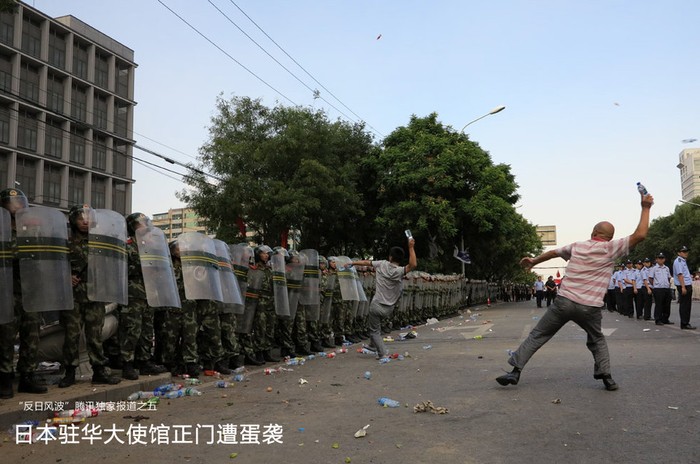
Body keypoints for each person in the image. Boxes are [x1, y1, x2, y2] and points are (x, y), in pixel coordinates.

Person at [496, 192, 654, 391]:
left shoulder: (577, 246)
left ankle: (515, 372)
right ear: (610, 237)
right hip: (590, 308)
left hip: (564, 302)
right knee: (597, 339)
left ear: (593, 232)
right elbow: (640, 235)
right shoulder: (612, 248)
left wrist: (534, 261)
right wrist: (646, 207)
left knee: (538, 334)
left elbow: (554, 252)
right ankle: (607, 377)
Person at [58, 205, 121, 387]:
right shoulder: (66, 242)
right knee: (72, 335)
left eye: (88, 218)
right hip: (73, 296)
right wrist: (66, 277)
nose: (85, 222)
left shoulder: (100, 242)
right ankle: (69, 372)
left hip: (95, 294)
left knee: (95, 334)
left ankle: (99, 371)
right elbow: (56, 265)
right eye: (80, 218)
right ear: (73, 221)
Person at [0, 188, 46, 397]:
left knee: (32, 335)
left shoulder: (30, 231)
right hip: (7, 291)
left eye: (20, 201)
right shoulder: (2, 230)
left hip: (30, 292)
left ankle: (27, 375)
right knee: (6, 336)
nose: (18, 205)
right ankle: (4, 377)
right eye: (13, 201)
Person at [350, 236, 417, 360]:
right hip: (389, 308)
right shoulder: (400, 271)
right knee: (375, 326)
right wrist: (411, 247)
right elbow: (413, 264)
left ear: (390, 257)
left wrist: (352, 262)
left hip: (376, 305)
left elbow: (366, 263)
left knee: (374, 331)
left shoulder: (381, 264)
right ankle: (372, 345)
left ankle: (382, 353)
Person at [673, 246, 696, 330]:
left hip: (687, 284)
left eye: (686, 251)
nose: (686, 253)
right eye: (683, 251)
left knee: (687, 305)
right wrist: (683, 287)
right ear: (679, 253)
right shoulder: (678, 261)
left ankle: (686, 322)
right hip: (684, 285)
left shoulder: (683, 261)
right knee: (684, 305)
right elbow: (680, 274)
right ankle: (684, 323)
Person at [650, 253, 672, 326]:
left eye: (662, 258)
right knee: (659, 305)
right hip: (658, 288)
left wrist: (667, 284)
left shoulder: (666, 268)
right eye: (659, 258)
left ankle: (665, 319)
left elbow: (669, 277)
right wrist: (655, 285)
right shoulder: (654, 268)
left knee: (667, 304)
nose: (661, 260)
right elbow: (650, 278)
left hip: (666, 288)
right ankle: (658, 319)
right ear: (657, 259)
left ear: (664, 259)